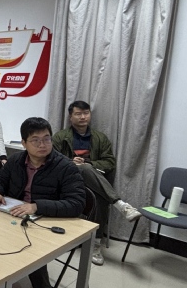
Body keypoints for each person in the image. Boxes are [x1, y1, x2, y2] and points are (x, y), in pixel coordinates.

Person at [0, 117, 85, 288]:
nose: (42, 144)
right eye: (35, 140)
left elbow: (76, 204)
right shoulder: (16, 160)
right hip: (16, 215)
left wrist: (37, 206)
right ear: (24, 143)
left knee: (30, 249)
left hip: (48, 221)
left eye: (46, 139)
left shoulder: (65, 167)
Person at [52, 100, 141, 266]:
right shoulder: (60, 137)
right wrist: (71, 162)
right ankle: (120, 204)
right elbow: (52, 160)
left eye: (86, 113)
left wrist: (90, 164)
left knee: (99, 196)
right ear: (70, 117)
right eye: (78, 114)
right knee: (83, 169)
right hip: (67, 181)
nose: (83, 117)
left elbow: (109, 162)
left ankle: (96, 244)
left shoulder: (100, 138)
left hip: (93, 182)